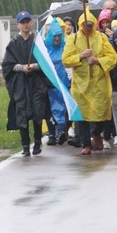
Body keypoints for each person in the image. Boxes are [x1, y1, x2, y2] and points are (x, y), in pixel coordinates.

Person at [62, 11, 117, 155]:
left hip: (99, 83)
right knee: (83, 115)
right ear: (80, 25)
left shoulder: (101, 37)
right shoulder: (73, 39)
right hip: (80, 84)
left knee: (103, 112)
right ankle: (86, 144)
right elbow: (66, 60)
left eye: (90, 25)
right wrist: (81, 56)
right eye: (85, 25)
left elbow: (112, 57)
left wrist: (97, 60)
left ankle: (97, 132)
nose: (88, 27)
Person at [2, 11, 47, 157]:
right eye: (23, 22)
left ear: (31, 23)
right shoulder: (13, 44)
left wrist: (34, 66)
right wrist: (21, 68)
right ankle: (25, 145)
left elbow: (45, 63)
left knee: (37, 112)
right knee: (22, 112)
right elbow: (8, 65)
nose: (26, 24)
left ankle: (38, 142)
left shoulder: (38, 42)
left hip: (36, 83)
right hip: (20, 84)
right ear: (18, 25)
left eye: (28, 21)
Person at [43, 18, 70, 146]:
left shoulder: (65, 46)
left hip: (63, 82)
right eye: (55, 36)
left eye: (59, 36)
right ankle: (52, 134)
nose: (57, 39)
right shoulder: (44, 48)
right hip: (49, 83)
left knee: (63, 108)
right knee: (50, 109)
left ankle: (61, 132)